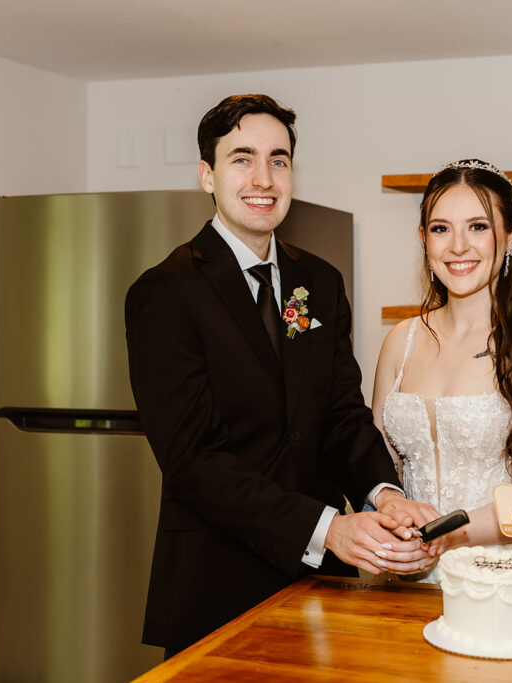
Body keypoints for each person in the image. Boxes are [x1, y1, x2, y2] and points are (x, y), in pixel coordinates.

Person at [125, 94, 441, 656]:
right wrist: (328, 527)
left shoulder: (316, 280)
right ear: (208, 175)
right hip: (214, 584)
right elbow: (193, 460)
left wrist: (384, 493)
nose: (263, 178)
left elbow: (340, 414)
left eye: (279, 159)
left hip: (321, 582)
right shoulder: (165, 293)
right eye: (242, 158)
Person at [372, 159, 512, 586]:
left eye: (477, 227)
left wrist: (451, 532)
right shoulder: (400, 341)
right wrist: (391, 525)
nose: (458, 246)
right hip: (409, 583)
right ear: (424, 239)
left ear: (511, 235)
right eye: (440, 229)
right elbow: (382, 473)